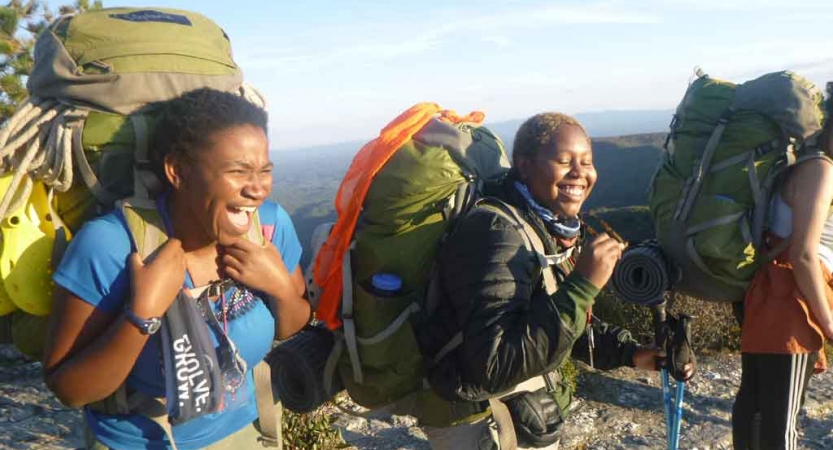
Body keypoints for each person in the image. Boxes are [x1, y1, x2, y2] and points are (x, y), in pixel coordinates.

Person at [42, 89, 311, 449]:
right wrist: (142, 315)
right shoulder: (114, 245)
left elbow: (291, 323)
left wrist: (280, 288)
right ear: (178, 171)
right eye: (238, 171)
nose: (257, 189)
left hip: (248, 430)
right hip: (145, 440)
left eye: (265, 171)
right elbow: (70, 390)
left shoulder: (269, 227)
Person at [419, 112, 695, 449]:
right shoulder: (496, 235)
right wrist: (582, 286)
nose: (579, 173)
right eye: (564, 161)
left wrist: (633, 354)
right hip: (477, 419)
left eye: (587, 161)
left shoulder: (545, 226)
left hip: (515, 405)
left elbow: (555, 320)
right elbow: (493, 364)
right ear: (524, 165)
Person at [733, 92, 833, 450]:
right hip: (791, 305)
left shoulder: (804, 164)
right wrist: (829, 325)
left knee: (758, 409)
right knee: (780, 425)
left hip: (772, 300)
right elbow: (804, 256)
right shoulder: (822, 171)